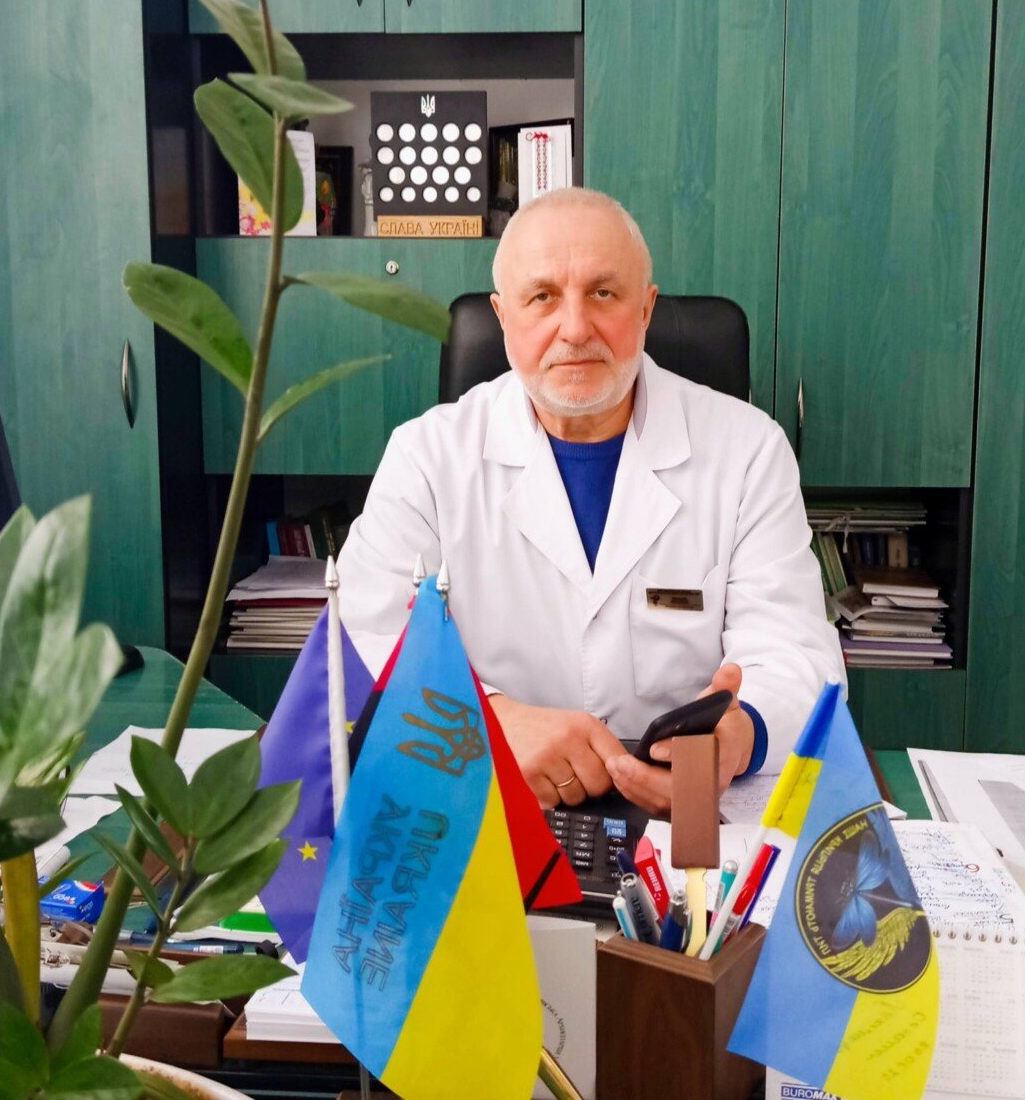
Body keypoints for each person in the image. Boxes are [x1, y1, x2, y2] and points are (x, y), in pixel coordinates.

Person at [337, 187, 844, 813]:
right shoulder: (427, 456)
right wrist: (487, 723)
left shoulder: (748, 451)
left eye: (603, 293)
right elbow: (362, 641)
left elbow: (795, 651)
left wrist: (742, 735)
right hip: (488, 795)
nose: (575, 329)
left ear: (646, 309)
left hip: (686, 806)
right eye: (542, 297)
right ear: (502, 316)